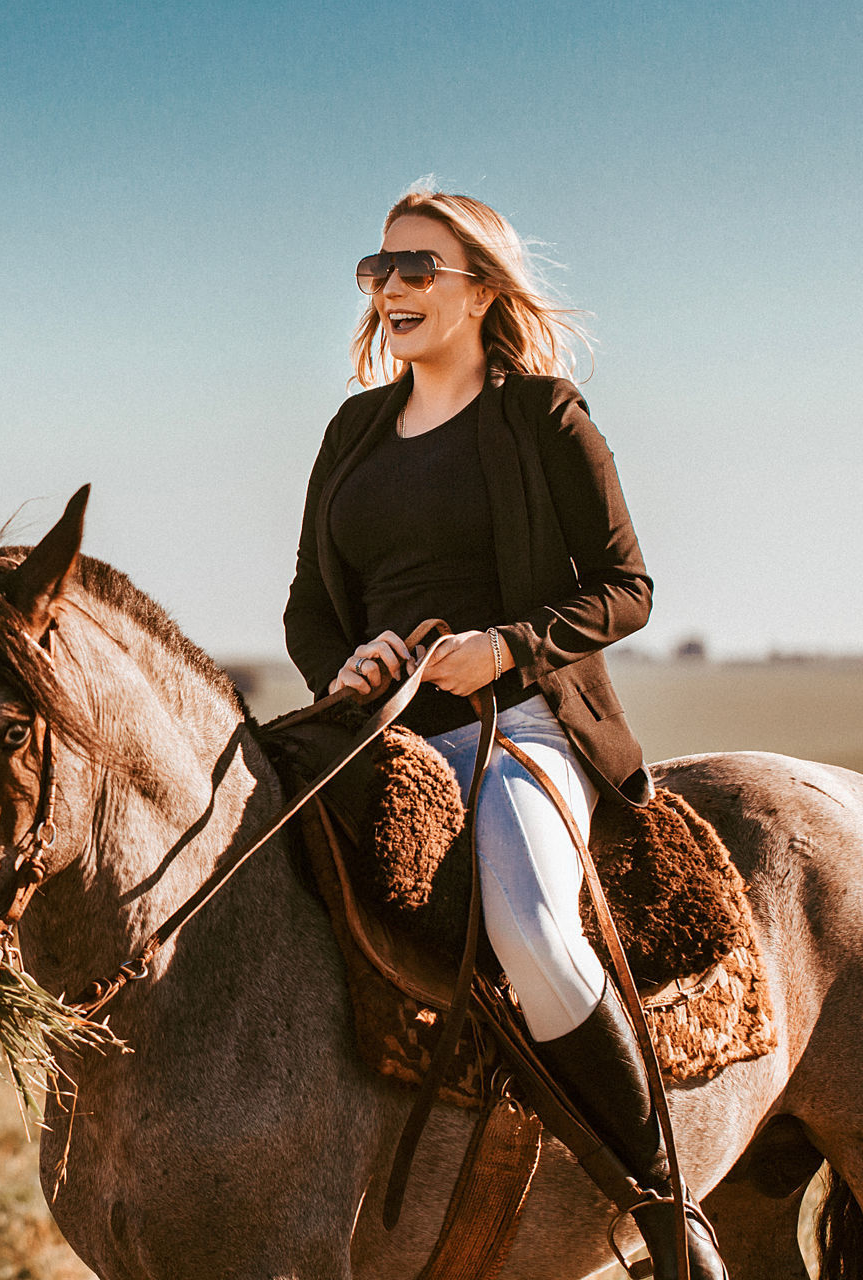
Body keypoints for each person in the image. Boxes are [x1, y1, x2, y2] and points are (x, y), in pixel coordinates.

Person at [283, 187, 723, 1280]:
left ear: (481, 287)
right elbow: (306, 600)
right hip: (372, 738)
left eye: (417, 268)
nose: (392, 288)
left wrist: (510, 645)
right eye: (378, 269)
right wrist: (345, 662)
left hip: (514, 726)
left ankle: (667, 1209)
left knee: (530, 925)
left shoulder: (545, 416)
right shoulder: (352, 430)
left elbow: (629, 587)